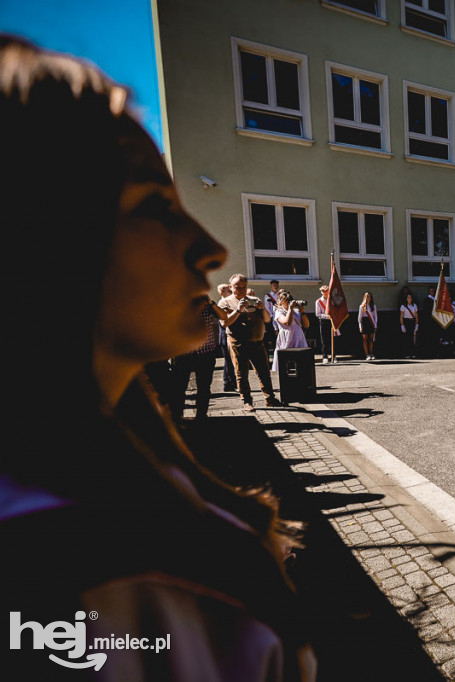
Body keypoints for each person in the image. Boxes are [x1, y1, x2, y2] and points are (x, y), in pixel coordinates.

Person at [0, 37, 314, 679]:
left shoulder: (114, 470)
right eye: (152, 206)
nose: (210, 247)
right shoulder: (102, 572)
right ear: (37, 232)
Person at [219, 274, 281, 411]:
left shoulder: (254, 299)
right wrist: (237, 310)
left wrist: (263, 308)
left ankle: (270, 399)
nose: (241, 289)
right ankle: (247, 401)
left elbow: (267, 320)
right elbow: (225, 323)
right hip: (238, 343)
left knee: (264, 372)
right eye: (237, 287)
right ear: (230, 287)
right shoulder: (225, 302)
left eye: (243, 287)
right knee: (241, 374)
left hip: (257, 342)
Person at [169, 299, 229, 421]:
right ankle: (177, 417)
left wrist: (211, 303)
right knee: (179, 388)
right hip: (182, 353)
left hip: (205, 353)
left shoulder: (207, 305)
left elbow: (223, 316)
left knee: (204, 387)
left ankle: (201, 417)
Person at [271, 290, 309, 372]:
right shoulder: (279, 312)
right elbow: (287, 322)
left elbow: (306, 325)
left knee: (301, 361)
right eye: (286, 300)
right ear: (281, 302)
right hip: (287, 337)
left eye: (290, 300)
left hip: (298, 337)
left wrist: (302, 311)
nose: (288, 302)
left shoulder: (296, 312)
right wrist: (290, 309)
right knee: (287, 361)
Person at [217, 282, 238, 391]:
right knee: (229, 361)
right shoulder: (222, 303)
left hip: (226, 336)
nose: (231, 292)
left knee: (229, 361)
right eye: (228, 290)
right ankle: (230, 382)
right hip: (225, 336)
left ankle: (228, 383)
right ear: (221, 292)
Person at [315, 284, 341, 363]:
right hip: (323, 321)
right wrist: (327, 316)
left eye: (326, 291)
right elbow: (318, 314)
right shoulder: (318, 301)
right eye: (323, 291)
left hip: (332, 321)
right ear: (321, 292)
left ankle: (334, 355)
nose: (325, 293)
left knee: (333, 339)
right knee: (324, 339)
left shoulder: (332, 300)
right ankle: (325, 356)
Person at [358, 292, 378, 360]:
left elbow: (375, 316)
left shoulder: (373, 306)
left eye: (369, 296)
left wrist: (375, 325)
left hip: (371, 323)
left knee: (371, 339)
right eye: (367, 296)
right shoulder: (362, 306)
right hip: (365, 322)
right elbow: (359, 318)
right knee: (365, 339)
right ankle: (367, 355)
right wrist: (360, 327)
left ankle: (371, 353)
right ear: (364, 297)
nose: (368, 298)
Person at [399, 293, 418, 358]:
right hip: (406, 322)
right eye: (408, 297)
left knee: (413, 338)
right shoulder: (403, 306)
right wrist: (402, 325)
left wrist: (417, 324)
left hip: (412, 321)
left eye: (410, 297)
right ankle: (407, 353)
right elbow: (401, 316)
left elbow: (416, 316)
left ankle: (413, 353)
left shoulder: (414, 305)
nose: (409, 299)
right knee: (407, 338)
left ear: (412, 299)